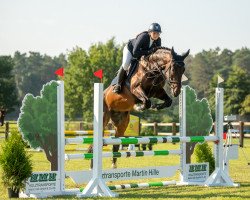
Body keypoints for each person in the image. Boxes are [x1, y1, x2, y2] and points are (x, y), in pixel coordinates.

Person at [113, 23, 162, 93]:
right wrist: (149, 52)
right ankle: (118, 84)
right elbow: (135, 52)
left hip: (142, 54)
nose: (156, 35)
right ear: (150, 32)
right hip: (130, 50)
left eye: (158, 33)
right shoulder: (144, 37)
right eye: (154, 33)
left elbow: (156, 53)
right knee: (126, 64)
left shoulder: (158, 40)